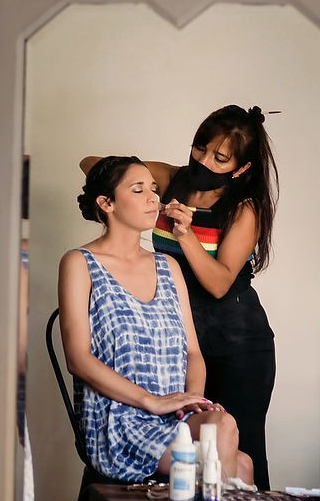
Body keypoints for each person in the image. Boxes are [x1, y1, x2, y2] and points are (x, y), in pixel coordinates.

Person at [80, 105, 279, 489]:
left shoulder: (242, 209)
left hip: (237, 344)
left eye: (219, 158)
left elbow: (219, 283)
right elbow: (93, 165)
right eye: (200, 148)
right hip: (181, 338)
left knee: (241, 453)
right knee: (188, 448)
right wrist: (134, 185)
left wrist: (184, 233)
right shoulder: (170, 179)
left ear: (240, 169)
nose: (203, 160)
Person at [58, 155, 254, 486]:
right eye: (138, 190)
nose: (153, 198)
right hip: (120, 419)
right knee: (240, 465)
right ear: (106, 203)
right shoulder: (80, 263)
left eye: (153, 188)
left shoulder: (168, 266)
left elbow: (193, 353)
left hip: (172, 417)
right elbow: (78, 360)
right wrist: (152, 401)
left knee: (227, 435)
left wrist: (191, 403)